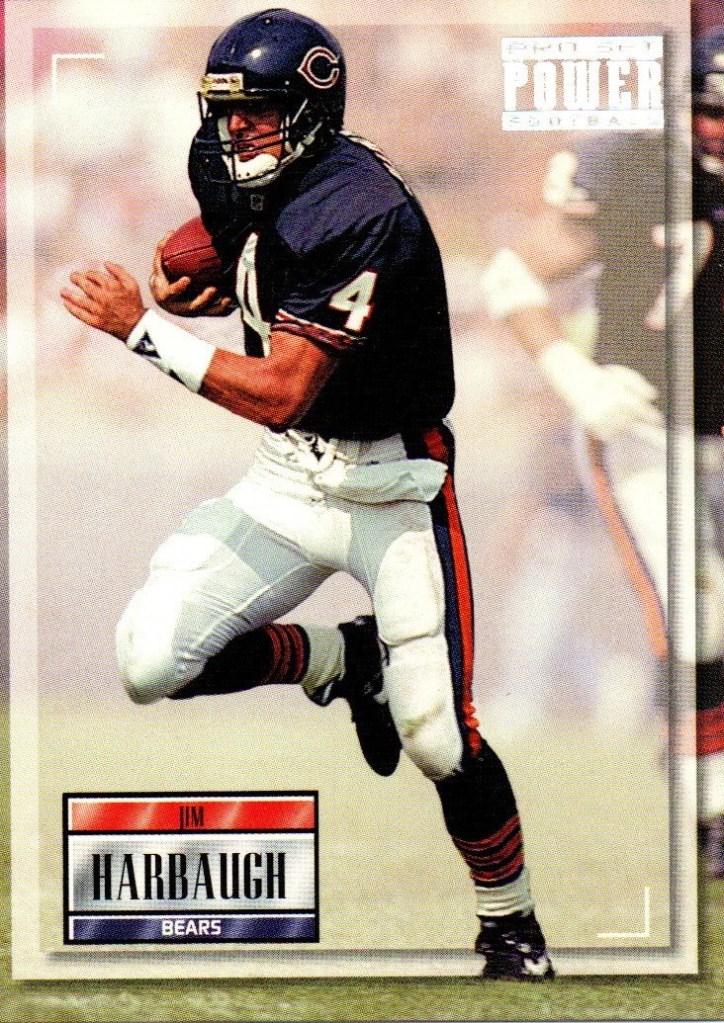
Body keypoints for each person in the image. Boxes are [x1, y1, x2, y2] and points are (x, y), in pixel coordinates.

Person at [60, 9, 554, 979]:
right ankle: (342, 658)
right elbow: (224, 241)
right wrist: (197, 270)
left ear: (313, 108)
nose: (234, 128)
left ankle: (511, 925)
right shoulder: (231, 164)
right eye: (224, 110)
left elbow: (283, 388)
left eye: (257, 110)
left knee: (439, 735)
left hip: (394, 483)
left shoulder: (362, 207)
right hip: (292, 474)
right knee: (150, 659)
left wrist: (142, 329)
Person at [479, 86, 724, 875]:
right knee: (697, 614)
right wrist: (574, 376)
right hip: (649, 428)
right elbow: (513, 275)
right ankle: (709, 800)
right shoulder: (634, 166)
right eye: (711, 111)